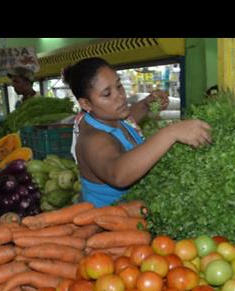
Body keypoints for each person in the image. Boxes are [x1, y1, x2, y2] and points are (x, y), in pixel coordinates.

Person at [64, 57, 212, 208]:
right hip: (108, 218)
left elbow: (129, 120)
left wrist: (146, 105)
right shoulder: (92, 139)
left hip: (134, 209)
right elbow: (118, 174)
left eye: (119, 86)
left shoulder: (111, 117)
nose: (120, 96)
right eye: (107, 94)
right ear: (86, 104)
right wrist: (171, 132)